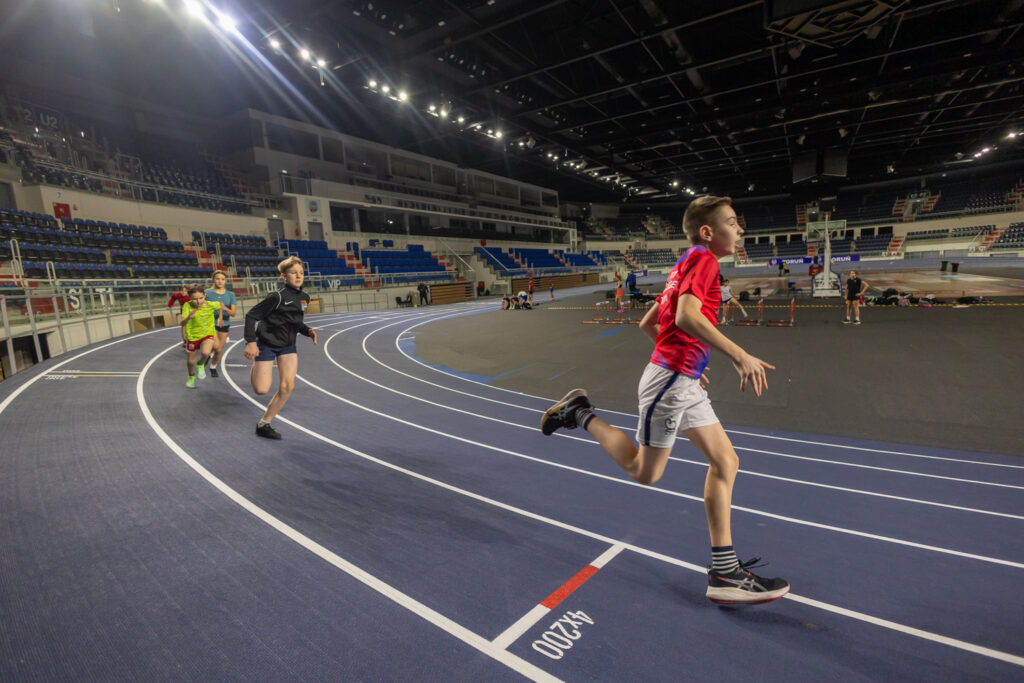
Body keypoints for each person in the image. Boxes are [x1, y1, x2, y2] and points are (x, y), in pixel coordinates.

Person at [540, 195, 789, 605]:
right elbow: (685, 318)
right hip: (671, 382)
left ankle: (725, 573)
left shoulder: (684, 262)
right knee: (645, 472)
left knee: (726, 462)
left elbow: (648, 322)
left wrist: (686, 360)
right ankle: (579, 412)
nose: (740, 229)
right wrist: (738, 356)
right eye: (732, 222)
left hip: (681, 378)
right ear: (708, 232)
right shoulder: (704, 260)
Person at [243, 256, 318, 439]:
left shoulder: (305, 298)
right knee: (261, 389)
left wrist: (307, 330)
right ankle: (256, 364)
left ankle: (264, 423)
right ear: (284, 276)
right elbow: (251, 316)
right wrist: (251, 342)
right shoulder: (276, 297)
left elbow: (295, 322)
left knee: (287, 387)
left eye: (301, 273)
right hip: (267, 344)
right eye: (293, 273)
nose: (298, 276)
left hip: (288, 347)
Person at [180, 284, 222, 388]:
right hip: (193, 336)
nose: (198, 301)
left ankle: (200, 364)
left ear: (204, 295)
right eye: (195, 299)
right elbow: (182, 324)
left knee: (206, 352)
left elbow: (220, 305)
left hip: (208, 333)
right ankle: (191, 376)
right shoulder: (187, 306)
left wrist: (220, 318)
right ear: (190, 298)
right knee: (190, 361)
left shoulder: (211, 304)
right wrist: (188, 317)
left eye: (201, 298)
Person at [204, 270, 238, 378]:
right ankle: (208, 353)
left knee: (218, 350)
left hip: (224, 324)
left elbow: (233, 314)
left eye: (222, 279)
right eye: (217, 279)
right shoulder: (207, 293)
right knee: (216, 345)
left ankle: (213, 367)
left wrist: (224, 308)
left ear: (225, 281)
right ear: (213, 279)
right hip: (210, 323)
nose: (220, 281)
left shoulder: (230, 294)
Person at [167, 284, 190, 348]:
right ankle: (185, 341)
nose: (183, 292)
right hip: (183, 312)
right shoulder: (176, 294)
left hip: (192, 312)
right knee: (183, 325)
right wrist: (169, 305)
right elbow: (172, 299)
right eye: (182, 291)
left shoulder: (190, 296)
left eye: (185, 291)